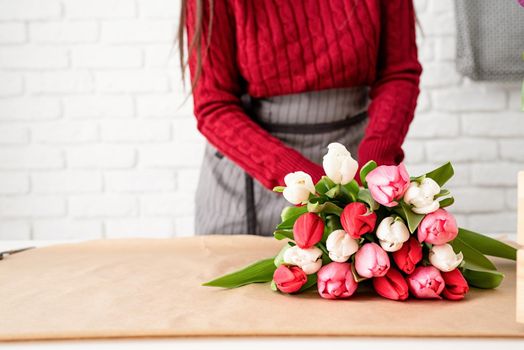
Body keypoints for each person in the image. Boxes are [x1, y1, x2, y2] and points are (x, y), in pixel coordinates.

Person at [178, 0, 422, 236]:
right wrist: (305, 182)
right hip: (249, 177)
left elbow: (398, 72)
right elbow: (214, 104)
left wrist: (374, 165)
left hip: (354, 170)